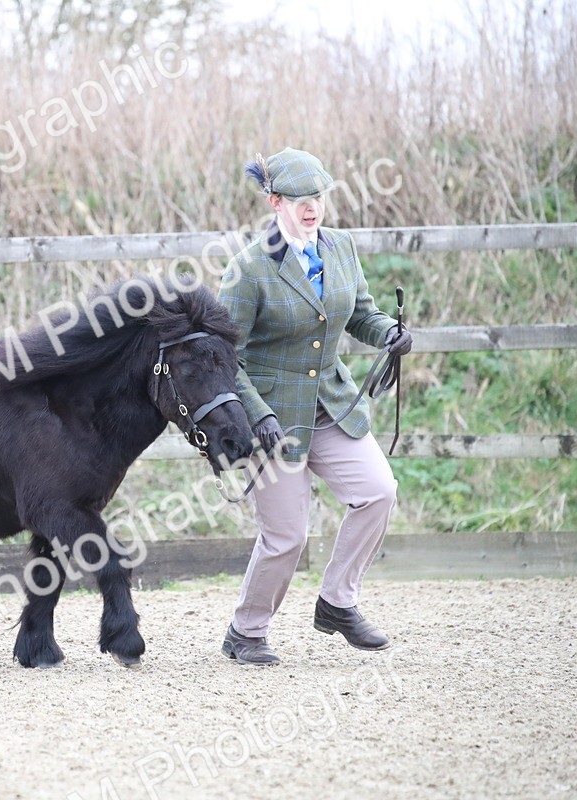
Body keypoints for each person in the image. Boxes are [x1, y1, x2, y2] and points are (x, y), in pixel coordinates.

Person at [216, 147, 412, 666]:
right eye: (300, 200)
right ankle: (246, 630)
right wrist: (256, 413)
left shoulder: (341, 248)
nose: (311, 208)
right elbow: (224, 357)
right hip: (272, 419)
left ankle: (336, 602)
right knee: (287, 536)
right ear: (275, 201)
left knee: (378, 491)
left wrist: (388, 333)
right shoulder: (247, 270)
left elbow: (360, 314)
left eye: (318, 197)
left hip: (331, 405)